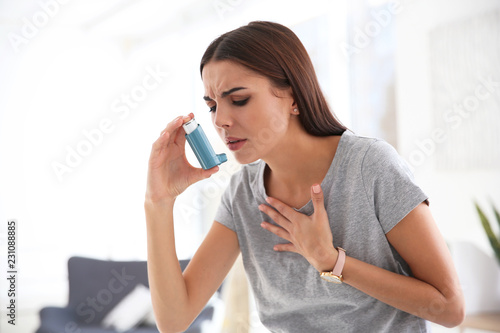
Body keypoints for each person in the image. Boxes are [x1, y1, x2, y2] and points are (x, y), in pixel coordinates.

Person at [145, 21, 464, 333]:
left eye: (239, 99)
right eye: (212, 105)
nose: (221, 120)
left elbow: (449, 308)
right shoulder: (242, 193)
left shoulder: (369, 167)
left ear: (294, 96)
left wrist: (331, 261)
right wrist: (158, 202)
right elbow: (174, 322)